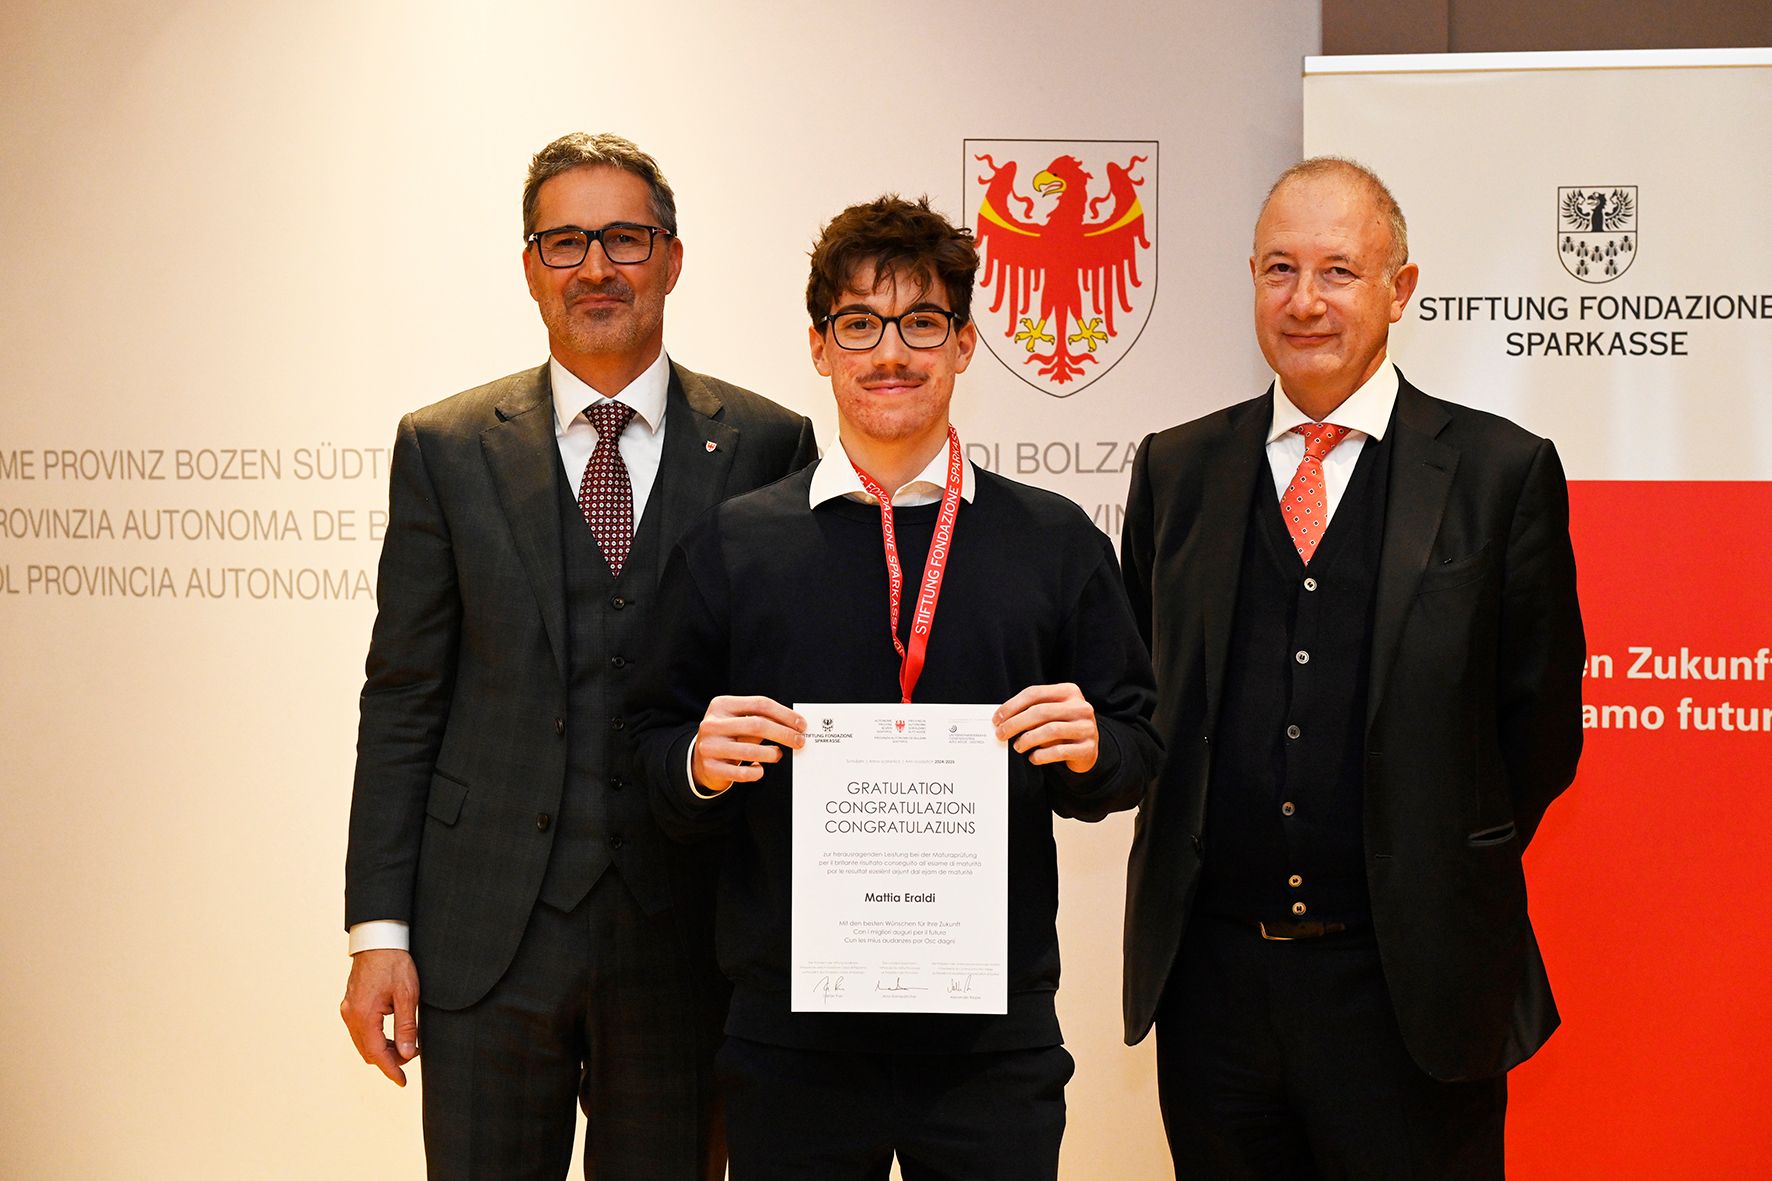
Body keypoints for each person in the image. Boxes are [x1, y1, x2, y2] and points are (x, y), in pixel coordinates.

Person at [629, 195, 1161, 1180]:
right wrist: (697, 760)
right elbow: (651, 747)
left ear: (963, 344)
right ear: (818, 346)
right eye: (858, 324)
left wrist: (1093, 747)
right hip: (792, 1040)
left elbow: (1134, 745)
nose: (889, 353)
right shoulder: (734, 544)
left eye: (920, 322)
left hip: (989, 1045)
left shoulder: (1052, 542)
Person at [339, 132, 817, 1180]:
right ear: (530, 267)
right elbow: (404, 698)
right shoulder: (444, 447)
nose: (595, 267)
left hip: (687, 940)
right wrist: (378, 932)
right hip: (484, 935)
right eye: (565, 242)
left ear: (672, 258)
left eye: (624, 239)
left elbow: (787, 701)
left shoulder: (767, 445)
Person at [1120, 157, 1585, 1179]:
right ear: (1251, 279)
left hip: (1412, 991)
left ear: (1398, 288)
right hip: (1214, 995)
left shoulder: (1499, 472)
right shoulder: (1175, 469)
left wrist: (1431, 856)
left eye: (1337, 270)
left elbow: (1540, 729)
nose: (1304, 300)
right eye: (1279, 269)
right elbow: (1143, 701)